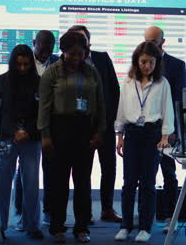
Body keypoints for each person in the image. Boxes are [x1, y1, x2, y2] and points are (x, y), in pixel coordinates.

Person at [38, 31, 106, 243]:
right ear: (63, 51)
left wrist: (99, 131)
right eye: (71, 54)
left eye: (80, 54)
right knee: (59, 183)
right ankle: (57, 227)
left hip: (85, 129)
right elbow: (44, 106)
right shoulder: (52, 72)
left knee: (83, 183)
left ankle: (81, 228)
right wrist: (45, 135)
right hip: (60, 129)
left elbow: (101, 104)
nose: (76, 58)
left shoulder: (92, 72)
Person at [113, 41, 174, 243]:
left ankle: (145, 228)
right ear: (136, 62)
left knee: (148, 183)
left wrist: (165, 136)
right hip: (131, 134)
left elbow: (167, 111)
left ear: (157, 63)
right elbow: (122, 111)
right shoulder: (128, 82)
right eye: (143, 62)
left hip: (152, 134)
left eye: (151, 62)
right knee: (129, 182)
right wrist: (119, 136)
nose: (147, 66)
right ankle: (126, 226)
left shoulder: (162, 83)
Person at [68, 25, 122, 223]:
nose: (81, 43)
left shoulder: (102, 58)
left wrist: (113, 121)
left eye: (83, 39)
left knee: (109, 167)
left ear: (89, 41)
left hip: (105, 124)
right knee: (83, 171)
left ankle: (107, 209)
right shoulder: (67, 62)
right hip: (81, 127)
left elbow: (114, 90)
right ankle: (86, 213)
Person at [0, 44, 43, 240]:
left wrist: (27, 132)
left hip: (31, 137)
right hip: (8, 136)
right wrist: (14, 131)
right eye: (19, 65)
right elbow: (1, 112)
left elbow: (41, 112)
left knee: (31, 183)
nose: (22, 68)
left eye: (26, 64)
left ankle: (32, 225)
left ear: (31, 63)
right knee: (2, 183)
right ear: (13, 63)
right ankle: (0, 226)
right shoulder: (3, 80)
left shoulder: (39, 82)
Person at [13, 30, 59, 228]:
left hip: (50, 126)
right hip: (29, 126)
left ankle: (47, 212)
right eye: (42, 48)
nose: (45, 53)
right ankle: (22, 214)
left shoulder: (57, 63)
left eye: (49, 49)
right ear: (34, 44)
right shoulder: (22, 63)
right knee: (25, 174)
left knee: (50, 171)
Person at [144, 26, 186, 233]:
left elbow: (181, 100)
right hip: (146, 129)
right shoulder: (142, 63)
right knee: (145, 176)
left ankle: (172, 217)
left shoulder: (177, 65)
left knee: (168, 173)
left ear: (163, 41)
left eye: (153, 41)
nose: (149, 45)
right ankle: (146, 218)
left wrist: (172, 130)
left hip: (168, 129)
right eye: (146, 41)